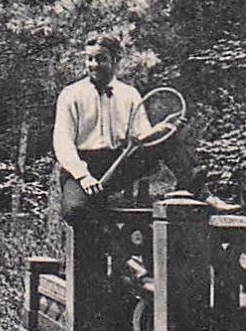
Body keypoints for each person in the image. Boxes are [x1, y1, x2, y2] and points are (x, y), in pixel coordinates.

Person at [53, 34, 234, 225]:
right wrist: (84, 176)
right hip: (82, 167)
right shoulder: (70, 94)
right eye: (89, 59)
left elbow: (143, 137)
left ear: (115, 60)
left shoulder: (129, 94)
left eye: (100, 59)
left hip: (118, 162)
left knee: (167, 139)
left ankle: (201, 192)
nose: (93, 64)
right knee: (76, 210)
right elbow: (63, 142)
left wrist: (161, 131)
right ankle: (93, 252)